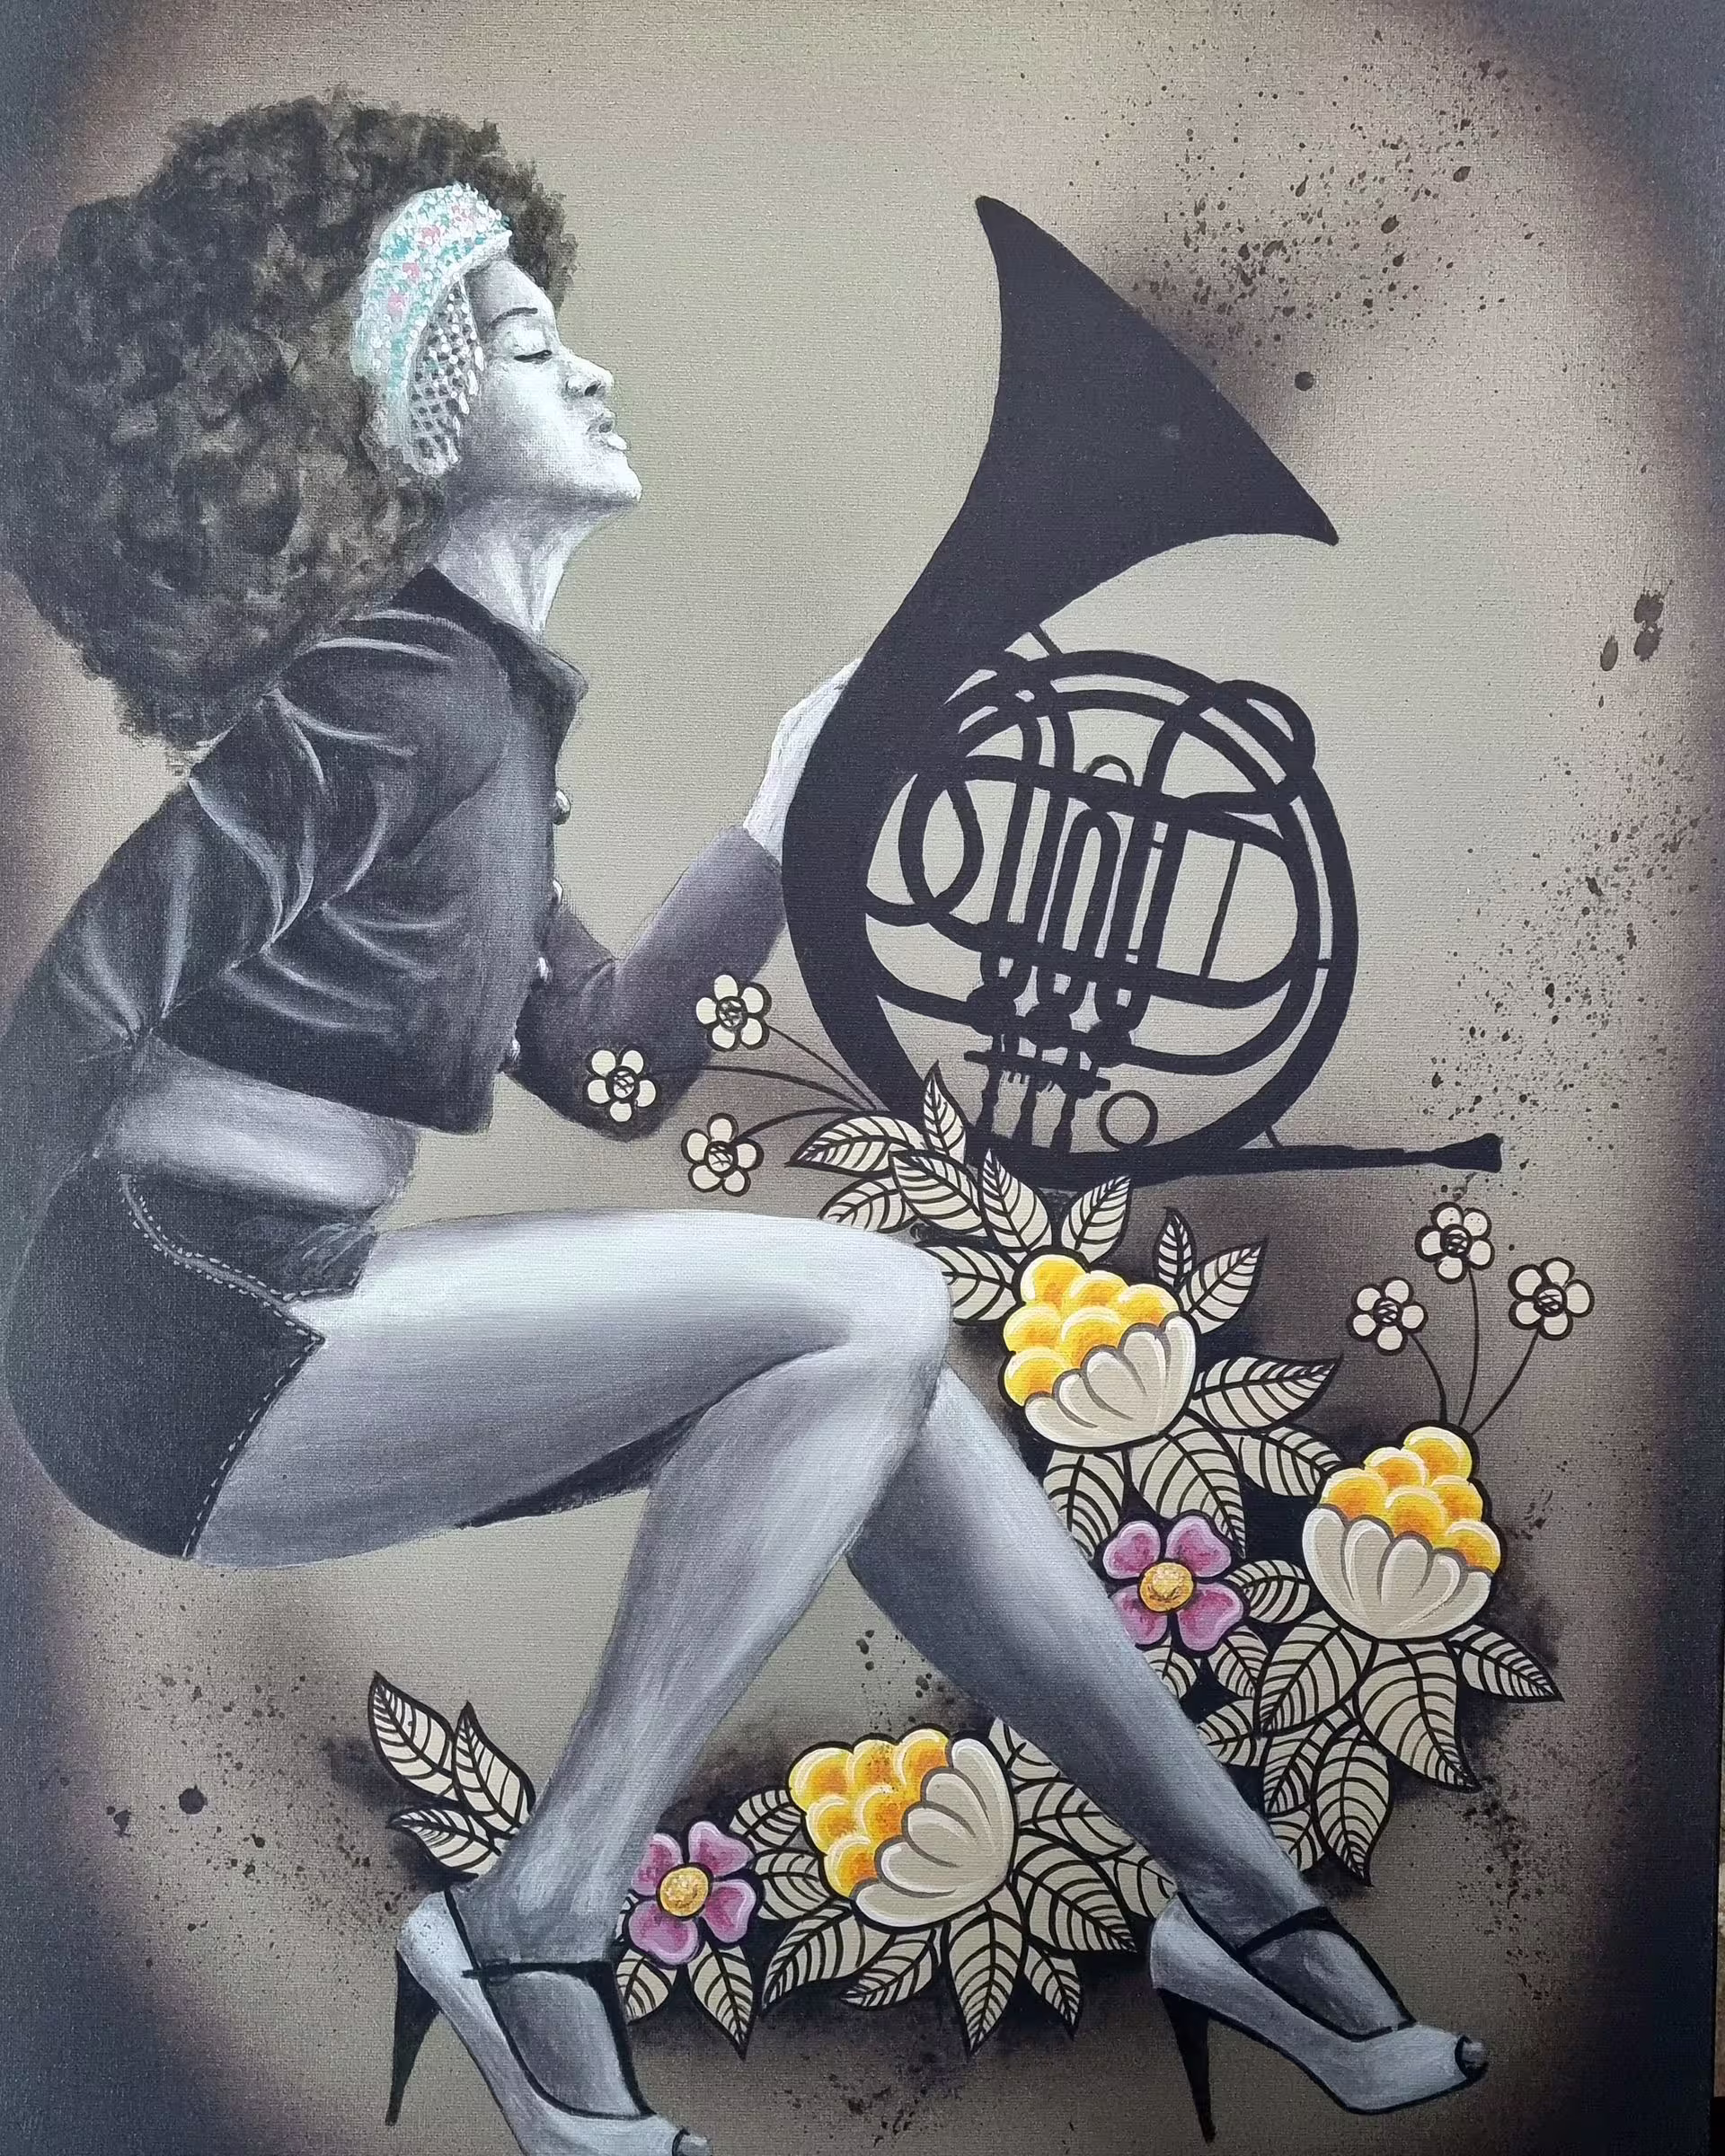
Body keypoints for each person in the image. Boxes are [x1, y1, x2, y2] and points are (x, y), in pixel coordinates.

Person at [0, 93, 1485, 2156]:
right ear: (412, 424)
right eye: (529, 342)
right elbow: (78, 999)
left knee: (888, 1400)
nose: (592, 364)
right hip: (182, 1343)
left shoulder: (474, 708)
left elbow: (611, 1067)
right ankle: (540, 1921)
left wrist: (793, 810)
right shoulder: (385, 698)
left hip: (250, 1317)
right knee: (867, 1304)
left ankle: (1251, 1913)